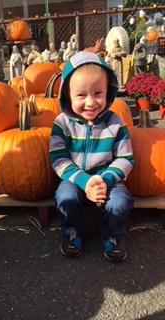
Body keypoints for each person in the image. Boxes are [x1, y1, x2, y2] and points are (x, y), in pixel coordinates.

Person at [49, 51, 134, 262]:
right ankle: (72, 230)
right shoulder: (62, 123)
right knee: (65, 197)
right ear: (68, 95)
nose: (91, 102)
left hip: (107, 178)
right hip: (74, 178)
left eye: (98, 93)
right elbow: (58, 158)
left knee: (120, 201)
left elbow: (125, 158)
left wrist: (105, 179)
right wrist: (84, 180)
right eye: (81, 95)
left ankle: (113, 234)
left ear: (109, 92)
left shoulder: (115, 122)